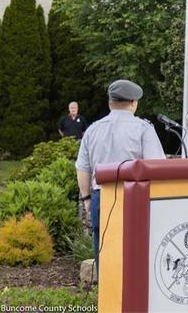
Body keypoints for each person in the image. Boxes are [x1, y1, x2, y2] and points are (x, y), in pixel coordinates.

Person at [75, 80, 166, 272]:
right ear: (134, 103)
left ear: (110, 102)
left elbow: (82, 167)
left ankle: (106, 297)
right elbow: (157, 167)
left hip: (102, 196)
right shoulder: (143, 129)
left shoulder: (92, 129)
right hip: (135, 198)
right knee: (136, 249)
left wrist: (86, 198)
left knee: (104, 247)